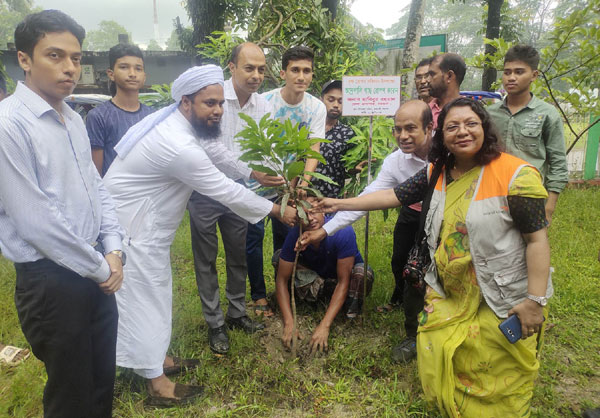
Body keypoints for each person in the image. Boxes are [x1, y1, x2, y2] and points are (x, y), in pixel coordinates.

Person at [311, 97, 552, 417]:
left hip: (500, 294)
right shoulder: (438, 171)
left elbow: (537, 241)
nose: (462, 132)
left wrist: (535, 301)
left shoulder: (516, 175)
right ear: (441, 134)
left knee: (494, 366)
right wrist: (337, 204)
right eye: (452, 126)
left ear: (485, 127)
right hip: (450, 290)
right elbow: (392, 196)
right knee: (440, 347)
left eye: (471, 124)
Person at [103, 65, 296, 407]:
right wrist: (276, 211)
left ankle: (153, 360)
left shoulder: (182, 126)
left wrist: (252, 172)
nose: (218, 110)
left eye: (221, 103)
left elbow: (218, 154)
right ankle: (156, 385)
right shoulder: (178, 144)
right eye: (209, 103)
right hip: (132, 230)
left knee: (155, 294)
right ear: (187, 102)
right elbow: (222, 189)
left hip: (144, 226)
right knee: (144, 298)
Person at [0, 10, 124, 417]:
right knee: (70, 393)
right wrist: (101, 268)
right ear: (24, 59)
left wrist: (114, 248)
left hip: (94, 267)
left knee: (101, 380)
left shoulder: (72, 118)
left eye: (76, 57)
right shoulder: (9, 126)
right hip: (52, 281)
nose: (70, 68)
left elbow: (96, 186)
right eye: (55, 55)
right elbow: (36, 222)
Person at [299, 100, 433, 362]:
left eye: (410, 128)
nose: (402, 136)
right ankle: (413, 335)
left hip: (450, 218)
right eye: (397, 129)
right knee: (408, 269)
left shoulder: (446, 153)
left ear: (429, 127)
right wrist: (326, 229)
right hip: (414, 212)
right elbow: (371, 197)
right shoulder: (396, 162)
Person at [187, 43, 285, 355]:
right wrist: (253, 173)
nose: (256, 75)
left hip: (240, 193)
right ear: (231, 67)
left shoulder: (263, 106)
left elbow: (267, 147)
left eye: (261, 69)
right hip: (205, 191)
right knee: (206, 259)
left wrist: (277, 172)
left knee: (238, 255)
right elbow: (210, 147)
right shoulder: (215, 97)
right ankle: (215, 323)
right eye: (249, 68)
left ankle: (237, 313)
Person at [276, 197, 373, 353]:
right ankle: (316, 299)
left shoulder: (342, 231)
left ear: (323, 211)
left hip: (344, 283)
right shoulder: (296, 234)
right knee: (278, 258)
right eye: (304, 215)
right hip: (320, 280)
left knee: (363, 274)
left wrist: (324, 325)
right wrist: (289, 322)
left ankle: (349, 314)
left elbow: (344, 282)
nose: (311, 219)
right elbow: (281, 279)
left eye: (314, 212)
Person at [487, 45, 568, 224]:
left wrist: (550, 206)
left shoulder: (547, 114)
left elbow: (557, 162)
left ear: (534, 75)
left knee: (530, 246)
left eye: (519, 72)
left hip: (530, 195)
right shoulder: (489, 114)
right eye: (507, 72)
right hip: (492, 194)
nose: (511, 78)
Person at [259, 46, 327, 251]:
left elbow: (314, 147)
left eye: (306, 71)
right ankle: (256, 284)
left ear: (312, 75)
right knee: (252, 239)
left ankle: (284, 274)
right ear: (283, 74)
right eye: (295, 70)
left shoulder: (316, 107)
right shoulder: (265, 102)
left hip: (293, 179)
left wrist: (302, 183)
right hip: (262, 177)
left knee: (287, 236)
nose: (301, 76)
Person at [86, 43, 153, 176]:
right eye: (124, 67)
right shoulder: (98, 116)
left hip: (149, 193)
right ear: (111, 74)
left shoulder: (152, 116)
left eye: (138, 68)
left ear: (144, 76)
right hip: (113, 195)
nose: (132, 74)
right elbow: (95, 174)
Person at [311, 79, 356, 197]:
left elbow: (348, 168)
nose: (336, 105)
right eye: (331, 100)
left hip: (333, 200)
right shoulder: (306, 128)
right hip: (304, 198)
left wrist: (355, 169)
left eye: (341, 101)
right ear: (321, 100)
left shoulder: (348, 134)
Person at [426, 53, 466, 127]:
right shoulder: (425, 112)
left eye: (432, 74)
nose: (427, 80)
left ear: (449, 76)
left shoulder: (470, 112)